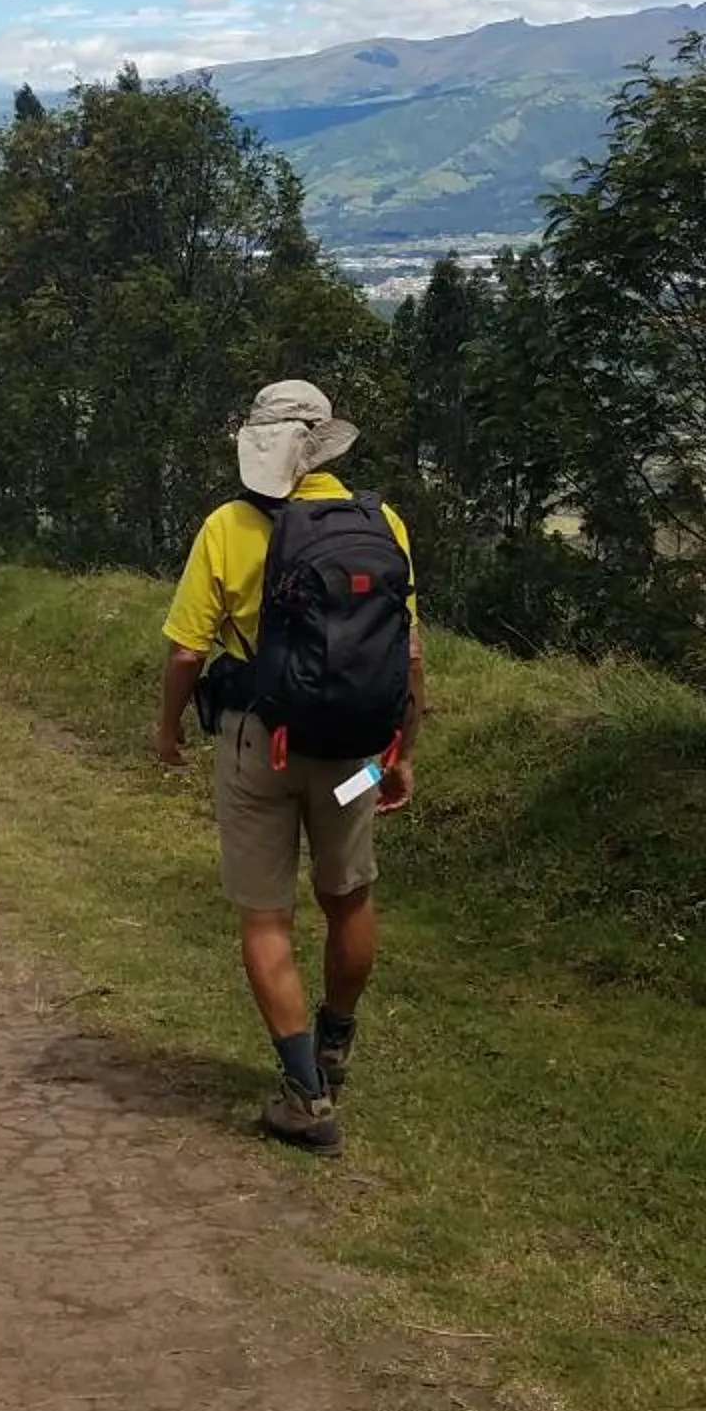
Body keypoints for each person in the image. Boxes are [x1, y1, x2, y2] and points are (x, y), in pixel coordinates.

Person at [152, 382, 420, 1157]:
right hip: (355, 762)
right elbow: (406, 651)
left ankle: (305, 1093)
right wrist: (400, 755)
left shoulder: (230, 526)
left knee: (266, 914)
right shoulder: (384, 522)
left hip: (256, 750)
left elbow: (185, 651)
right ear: (328, 443)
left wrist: (167, 732)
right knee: (349, 892)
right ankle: (336, 1046)